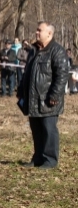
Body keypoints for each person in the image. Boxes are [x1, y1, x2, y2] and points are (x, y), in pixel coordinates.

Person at [17, 21, 68, 169]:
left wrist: (55, 95)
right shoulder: (33, 50)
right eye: (37, 30)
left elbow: (62, 75)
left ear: (49, 34)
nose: (36, 33)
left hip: (47, 99)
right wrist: (21, 91)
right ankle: (38, 158)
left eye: (40, 30)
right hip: (33, 99)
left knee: (48, 130)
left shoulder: (57, 51)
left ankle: (50, 160)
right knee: (37, 130)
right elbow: (27, 73)